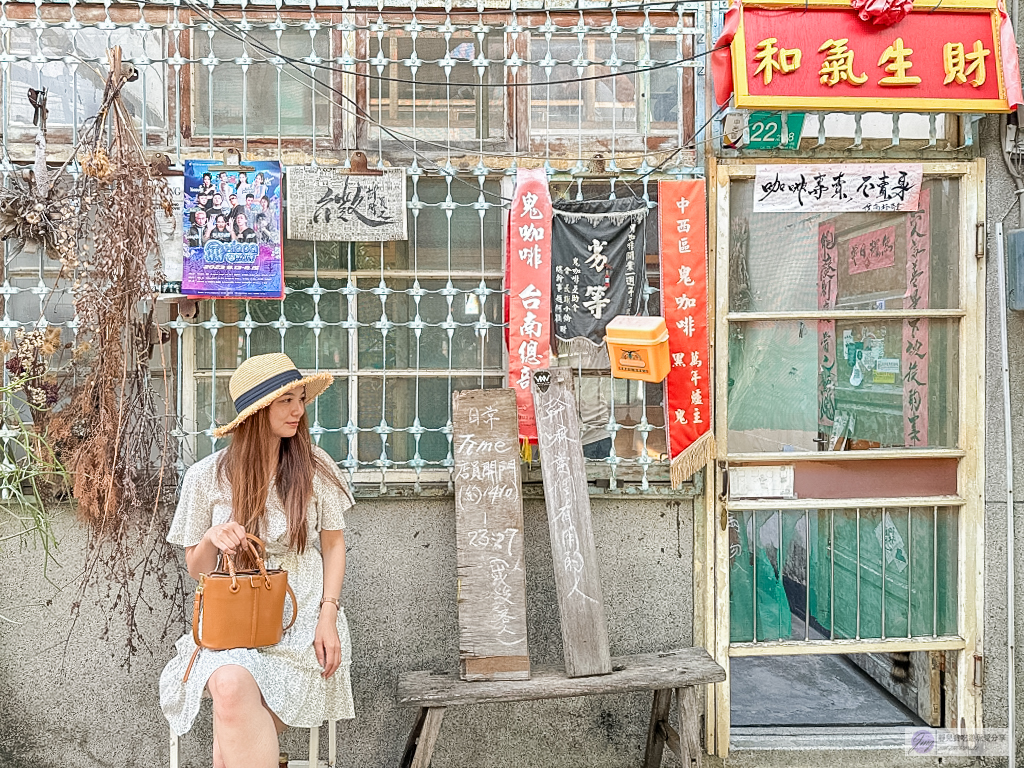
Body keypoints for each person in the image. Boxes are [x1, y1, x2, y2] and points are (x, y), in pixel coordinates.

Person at [159, 353, 355, 768]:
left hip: (302, 622)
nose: (298, 411)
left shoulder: (315, 468)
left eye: (301, 399)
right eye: (286, 401)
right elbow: (196, 568)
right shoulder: (206, 476)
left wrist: (328, 616)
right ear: (255, 411)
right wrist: (213, 536)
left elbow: (334, 546)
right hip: (232, 623)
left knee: (232, 733)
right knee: (229, 687)